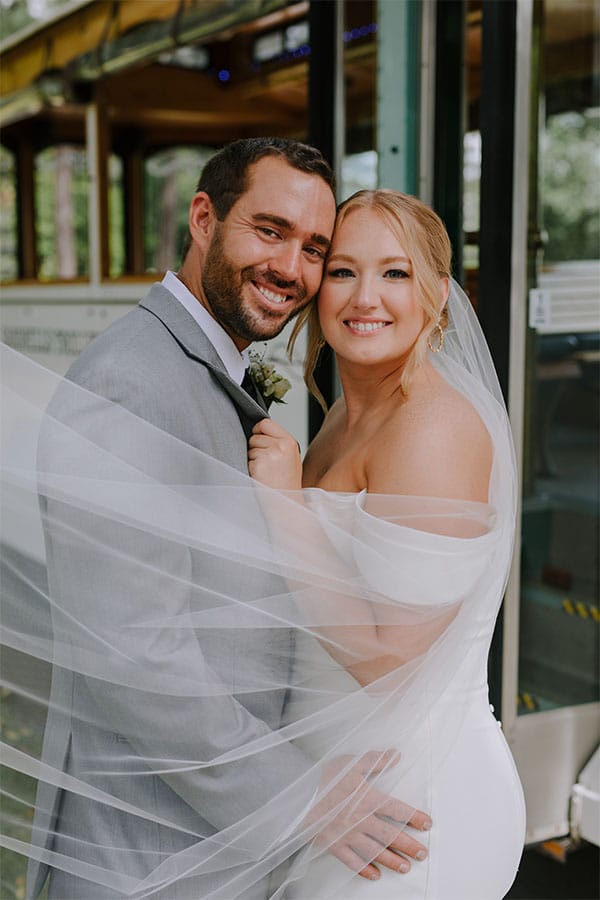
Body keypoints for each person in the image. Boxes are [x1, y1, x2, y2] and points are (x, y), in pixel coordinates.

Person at [13, 141, 430, 900]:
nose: (292, 270)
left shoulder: (204, 367)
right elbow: (138, 654)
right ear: (203, 218)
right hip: (142, 854)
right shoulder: (130, 382)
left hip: (209, 847)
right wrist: (302, 796)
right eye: (269, 231)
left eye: (313, 249)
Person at [247, 189, 526, 898]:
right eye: (342, 271)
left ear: (438, 294)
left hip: (412, 808)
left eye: (394, 273)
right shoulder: (344, 413)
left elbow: (391, 660)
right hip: (338, 790)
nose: (365, 296)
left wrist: (283, 505)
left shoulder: (434, 426)